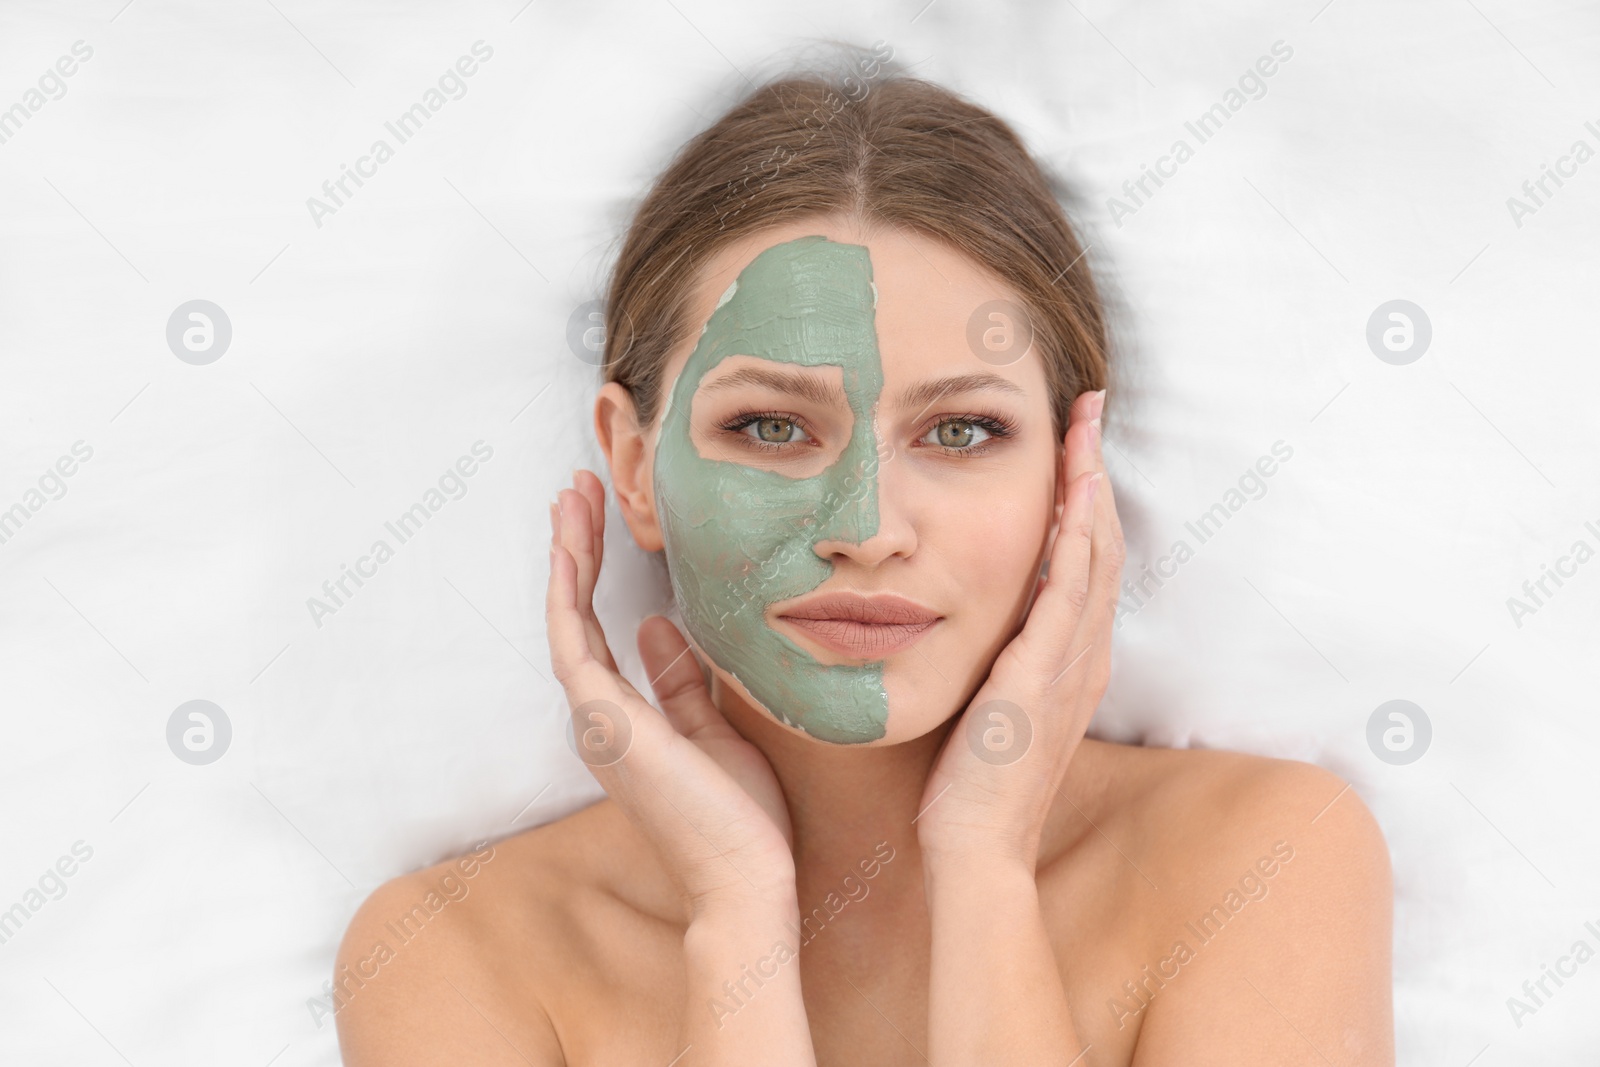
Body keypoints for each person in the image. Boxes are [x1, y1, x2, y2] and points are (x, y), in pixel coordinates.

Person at [335, 50, 1393, 1066]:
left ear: (1073, 480)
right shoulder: (453, 955)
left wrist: (982, 871)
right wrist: (735, 916)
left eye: (962, 431)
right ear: (633, 463)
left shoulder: (1262, 863)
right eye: (770, 427)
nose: (868, 524)